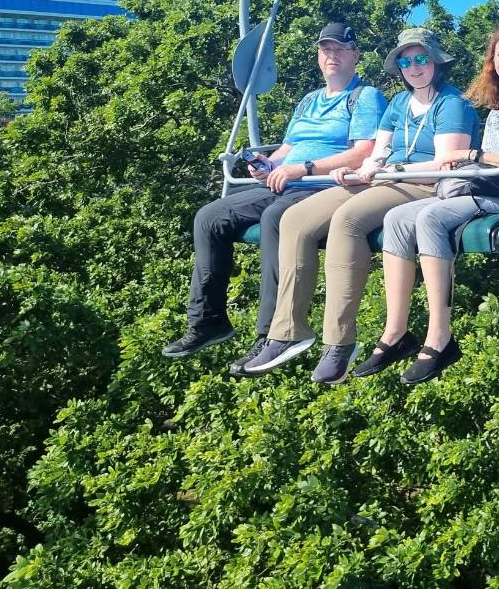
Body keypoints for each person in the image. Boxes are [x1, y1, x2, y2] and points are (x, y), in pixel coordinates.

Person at [243, 27, 479, 384]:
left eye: (421, 59)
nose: (413, 67)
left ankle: (338, 341)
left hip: (424, 186)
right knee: (294, 219)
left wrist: (386, 171)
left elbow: (442, 165)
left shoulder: (452, 105)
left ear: (435, 62)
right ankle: (287, 330)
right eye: (406, 60)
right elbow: (378, 152)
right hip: (385, 180)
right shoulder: (399, 104)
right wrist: (359, 171)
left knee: (348, 220)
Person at [161, 22, 387, 374]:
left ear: (355, 55)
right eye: (326, 49)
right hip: (285, 183)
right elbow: (288, 148)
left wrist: (303, 169)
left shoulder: (365, 97)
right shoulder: (309, 101)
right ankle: (208, 320)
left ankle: (273, 332)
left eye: (341, 49)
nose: (332, 56)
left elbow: (363, 153)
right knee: (210, 217)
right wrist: (269, 164)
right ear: (318, 55)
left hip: (324, 188)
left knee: (276, 219)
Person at [356, 21, 499, 385]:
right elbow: (492, 161)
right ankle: (395, 331)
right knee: (398, 219)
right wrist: (475, 160)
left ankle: (439, 337)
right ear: (492, 62)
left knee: (432, 218)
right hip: (490, 190)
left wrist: (473, 154)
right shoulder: (498, 112)